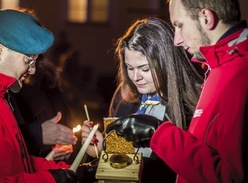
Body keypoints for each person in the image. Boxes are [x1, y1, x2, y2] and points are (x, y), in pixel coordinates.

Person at [106, 0, 248, 182]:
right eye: (130, 68)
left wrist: (158, 133)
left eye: (179, 25)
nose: (177, 40)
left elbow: (230, 176)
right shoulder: (215, 69)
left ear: (206, 18)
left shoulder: (241, 73)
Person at [81, 17, 205, 182]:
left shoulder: (193, 104)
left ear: (166, 63)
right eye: (129, 68)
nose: (135, 77)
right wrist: (101, 149)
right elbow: (121, 163)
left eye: (145, 68)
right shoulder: (126, 96)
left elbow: (196, 166)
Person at [0, 9, 80, 182]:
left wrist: (65, 170)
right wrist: (49, 179)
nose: (32, 70)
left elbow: (16, 162)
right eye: (28, 61)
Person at [10, 54, 75, 162]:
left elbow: (66, 123)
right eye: (28, 60)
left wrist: (66, 148)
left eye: (34, 61)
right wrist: (38, 134)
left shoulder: (48, 80)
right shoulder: (8, 90)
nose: (32, 70)